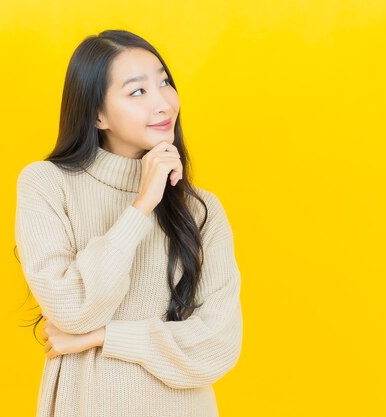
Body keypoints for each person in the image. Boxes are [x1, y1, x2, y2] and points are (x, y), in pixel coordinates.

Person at [14, 29, 243, 417]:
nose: (163, 103)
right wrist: (141, 205)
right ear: (97, 114)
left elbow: (218, 345)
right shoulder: (47, 184)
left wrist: (102, 337)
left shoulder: (202, 211)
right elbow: (74, 310)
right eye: (138, 92)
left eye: (164, 83)